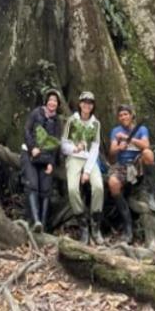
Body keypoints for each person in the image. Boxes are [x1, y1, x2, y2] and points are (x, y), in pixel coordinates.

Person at [107, 103, 155, 242]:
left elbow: (146, 145)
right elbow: (111, 151)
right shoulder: (115, 131)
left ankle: (151, 194)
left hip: (137, 164)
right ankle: (127, 225)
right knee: (113, 183)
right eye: (121, 115)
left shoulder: (141, 129)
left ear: (131, 116)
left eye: (126, 114)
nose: (123, 117)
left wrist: (129, 139)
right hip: (122, 165)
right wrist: (119, 147)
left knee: (148, 153)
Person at [61, 90, 105, 244]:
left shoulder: (96, 124)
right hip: (74, 158)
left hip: (90, 160)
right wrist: (74, 149)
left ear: (93, 106)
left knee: (98, 187)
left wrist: (87, 171)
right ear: (80, 104)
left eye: (90, 103)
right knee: (73, 189)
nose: (87, 105)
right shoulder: (72, 121)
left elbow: (95, 147)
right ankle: (83, 225)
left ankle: (95, 226)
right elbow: (63, 143)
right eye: (85, 102)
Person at [21, 87, 62, 231]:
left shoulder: (57, 121)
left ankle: (43, 225)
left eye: (55, 101)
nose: (52, 103)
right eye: (50, 100)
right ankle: (36, 221)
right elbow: (27, 130)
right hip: (30, 154)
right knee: (32, 185)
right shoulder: (36, 113)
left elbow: (56, 142)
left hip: (46, 158)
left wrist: (51, 162)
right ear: (46, 101)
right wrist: (32, 148)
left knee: (45, 189)